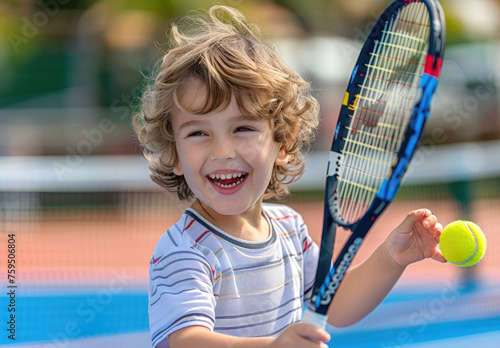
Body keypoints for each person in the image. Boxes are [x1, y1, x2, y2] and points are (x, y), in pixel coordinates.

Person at [133, 6, 446, 348]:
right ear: (174, 152)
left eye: (242, 128)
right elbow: (187, 341)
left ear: (284, 141)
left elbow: (333, 306)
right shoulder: (185, 251)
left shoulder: (289, 228)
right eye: (197, 133)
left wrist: (391, 257)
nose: (221, 151)